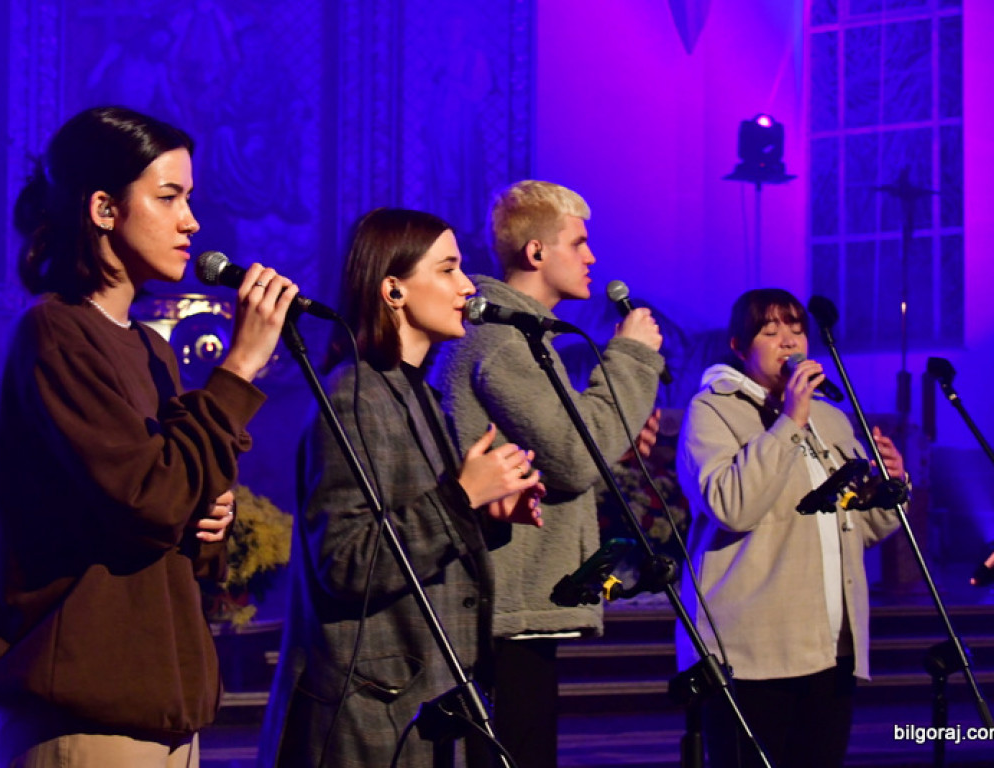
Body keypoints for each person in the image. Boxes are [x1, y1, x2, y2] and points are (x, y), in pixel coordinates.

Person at [0, 106, 298, 767]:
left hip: (161, 708)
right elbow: (146, 497)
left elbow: (165, 505)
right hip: (87, 716)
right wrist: (238, 368)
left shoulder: (152, 350)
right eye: (169, 197)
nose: (192, 222)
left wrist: (211, 523)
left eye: (191, 199)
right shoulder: (56, 332)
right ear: (103, 209)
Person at [260, 208, 545, 768]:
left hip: (415, 705)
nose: (467, 286)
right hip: (367, 719)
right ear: (393, 289)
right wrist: (460, 498)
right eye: (447, 269)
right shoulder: (353, 397)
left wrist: (484, 512)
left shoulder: (413, 393)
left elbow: (408, 529)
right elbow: (345, 562)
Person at [435, 180, 664, 767]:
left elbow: (564, 445)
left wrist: (610, 431)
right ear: (537, 253)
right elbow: (573, 456)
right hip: (506, 604)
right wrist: (632, 356)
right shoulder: (504, 340)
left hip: (518, 602)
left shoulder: (523, 334)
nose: (591, 257)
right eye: (579, 242)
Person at [675, 288, 905, 768]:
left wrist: (890, 485)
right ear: (739, 345)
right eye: (770, 329)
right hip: (753, 647)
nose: (787, 340)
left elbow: (860, 529)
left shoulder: (833, 418)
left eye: (796, 328)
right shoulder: (712, 410)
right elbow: (731, 506)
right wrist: (788, 422)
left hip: (831, 640)